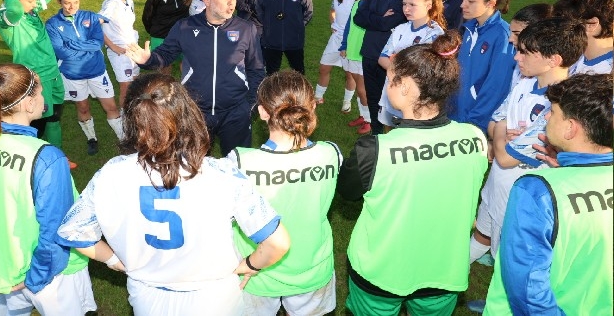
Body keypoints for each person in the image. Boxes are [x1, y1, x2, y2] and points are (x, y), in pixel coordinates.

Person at [56, 73, 290, 316]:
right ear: (187, 114)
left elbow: (73, 231)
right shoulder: (223, 174)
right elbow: (278, 242)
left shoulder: (110, 174)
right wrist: (250, 264)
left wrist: (115, 261)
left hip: (148, 296)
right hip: (216, 298)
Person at [338, 32, 488, 315]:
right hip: (444, 271)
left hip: (379, 272)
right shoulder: (475, 138)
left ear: (405, 87)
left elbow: (347, 192)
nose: (386, 85)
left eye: (390, 79)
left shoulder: (375, 149)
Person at [0, 64, 96, 316]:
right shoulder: (45, 157)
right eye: (41, 92)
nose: (46, 97)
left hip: (3, 265)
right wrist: (36, 277)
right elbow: (57, 228)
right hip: (52, 274)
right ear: (29, 104)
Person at [483, 73, 613, 315]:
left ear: (570, 128)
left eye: (552, 113)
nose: (546, 118)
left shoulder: (536, 191)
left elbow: (528, 292)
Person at [468, 18, 587, 268]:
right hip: (498, 185)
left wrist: (501, 135)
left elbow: (506, 157)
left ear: (553, 59)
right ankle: (451, 269)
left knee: (509, 261)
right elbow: (494, 121)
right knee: (483, 230)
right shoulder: (525, 83)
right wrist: (502, 134)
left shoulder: (559, 107)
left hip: (522, 196)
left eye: (524, 52)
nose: (516, 58)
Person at [231, 70, 342, 316]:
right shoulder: (332, 153)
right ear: (312, 106)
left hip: (255, 271)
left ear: (262, 111)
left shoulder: (238, 162)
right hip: (312, 269)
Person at [126, 0, 265, 156]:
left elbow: (257, 69)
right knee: (194, 164)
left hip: (235, 112)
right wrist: (148, 59)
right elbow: (165, 55)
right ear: (206, 0)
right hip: (195, 112)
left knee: (237, 164)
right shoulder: (185, 27)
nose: (232, 2)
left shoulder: (246, 29)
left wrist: (249, 105)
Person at [45, 0, 124, 156]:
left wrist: (72, 44)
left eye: (75, 2)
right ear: (60, 3)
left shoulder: (90, 17)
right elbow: (60, 51)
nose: (72, 6)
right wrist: (81, 47)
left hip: (97, 70)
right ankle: (92, 138)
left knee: (111, 107)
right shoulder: (52, 24)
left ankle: (123, 139)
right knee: (82, 108)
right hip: (73, 74)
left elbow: (97, 44)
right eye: (67, 3)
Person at [0, 0, 65, 150]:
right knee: (36, 123)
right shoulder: (6, 15)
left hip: (53, 72)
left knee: (54, 119)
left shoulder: (31, 10)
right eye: (30, 0)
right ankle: (33, 157)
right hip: (36, 77)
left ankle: (58, 155)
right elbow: (15, 8)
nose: (35, 4)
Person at [450, 0, 516, 134]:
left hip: (476, 122)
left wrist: (475, 121)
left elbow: (497, 86)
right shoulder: (470, 28)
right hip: (457, 115)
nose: (462, 5)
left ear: (490, 3)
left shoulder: (502, 35)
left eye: (470, 1)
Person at [377, 0, 446, 131]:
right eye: (404, 4)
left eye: (412, 5)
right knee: (389, 133)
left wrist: (395, 63)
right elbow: (382, 58)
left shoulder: (434, 34)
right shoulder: (400, 29)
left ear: (428, 5)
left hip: (416, 98)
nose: (406, 9)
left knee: (409, 137)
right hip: (392, 92)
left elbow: (421, 68)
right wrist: (401, 68)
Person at [353, 0, 410, 135]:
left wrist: (374, 19)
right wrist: (378, 19)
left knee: (393, 101)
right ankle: (376, 135)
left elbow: (391, 22)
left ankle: (395, 137)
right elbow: (358, 17)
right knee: (373, 98)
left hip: (390, 58)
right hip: (370, 52)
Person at [314, 0, 361, 113]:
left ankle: (346, 102)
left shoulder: (360, 0)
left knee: (349, 74)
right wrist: (332, 23)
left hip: (351, 42)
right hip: (335, 39)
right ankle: (318, 97)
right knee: (323, 68)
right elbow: (332, 11)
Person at [256, 0, 314, 75]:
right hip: (271, 41)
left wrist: (297, 26)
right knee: (271, 75)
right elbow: (260, 11)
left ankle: (298, 93)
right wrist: (270, 26)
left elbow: (308, 12)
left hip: (294, 41)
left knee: (298, 73)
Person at [141, 0, 196, 75]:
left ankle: (186, 90)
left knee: (186, 64)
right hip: (161, 36)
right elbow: (147, 18)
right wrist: (156, 31)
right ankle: (166, 93)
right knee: (164, 68)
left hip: (184, 35)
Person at [340, 0, 377, 135]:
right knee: (358, 87)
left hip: (363, 53)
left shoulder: (375, 8)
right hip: (352, 50)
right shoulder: (357, 3)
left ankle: (370, 121)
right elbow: (348, 26)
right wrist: (344, 45)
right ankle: (364, 116)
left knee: (362, 90)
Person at [100, 0, 140, 107]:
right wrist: (112, 46)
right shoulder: (111, 3)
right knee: (126, 87)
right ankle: (124, 119)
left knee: (135, 84)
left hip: (132, 48)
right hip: (119, 51)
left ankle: (132, 113)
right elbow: (97, 25)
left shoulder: (129, 0)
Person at [553, 0, 613, 75]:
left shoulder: (608, 72)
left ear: (591, 24)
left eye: (566, 23)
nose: (559, 29)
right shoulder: (572, 58)